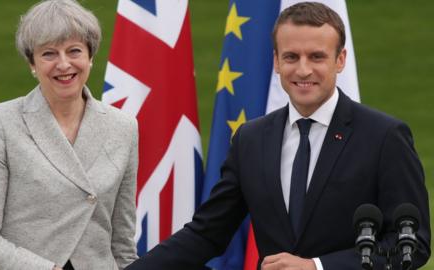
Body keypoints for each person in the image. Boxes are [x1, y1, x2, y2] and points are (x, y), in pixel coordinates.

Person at [126, 2, 430, 270]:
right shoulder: (251, 139)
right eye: (291, 57)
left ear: (340, 60)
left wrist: (317, 267)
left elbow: (413, 245)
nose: (303, 70)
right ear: (275, 61)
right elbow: (208, 233)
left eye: (316, 57)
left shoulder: (384, 136)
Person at [0, 0, 138, 269]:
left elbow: (123, 246)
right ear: (32, 63)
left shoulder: (123, 127)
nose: (64, 64)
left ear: (90, 56)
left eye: (74, 51)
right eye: (49, 54)